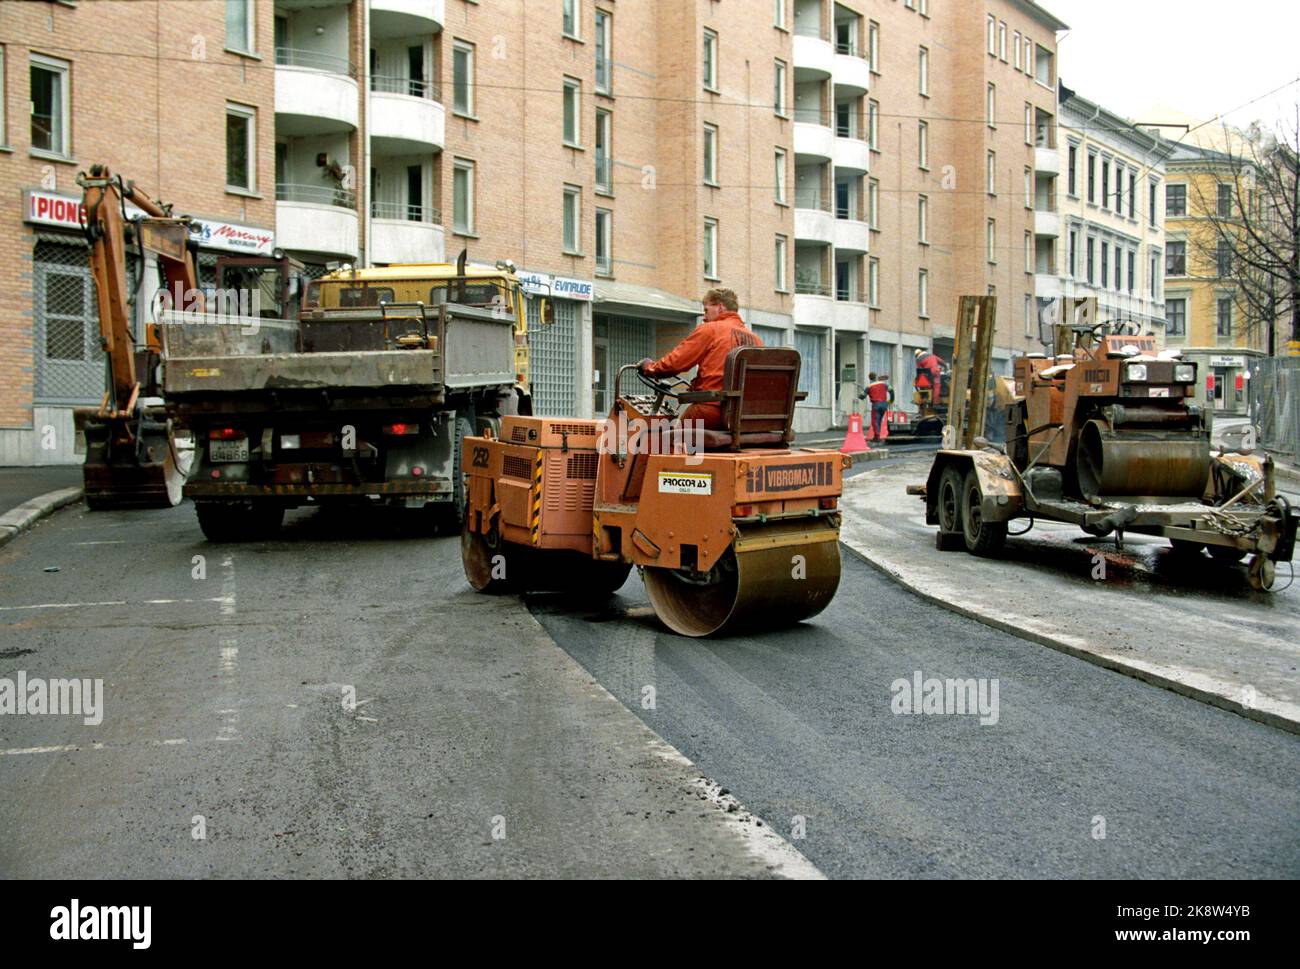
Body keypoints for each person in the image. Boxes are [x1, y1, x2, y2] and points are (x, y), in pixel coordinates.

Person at [637, 288, 762, 431]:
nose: (704, 317)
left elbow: (675, 362)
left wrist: (650, 368)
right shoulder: (756, 340)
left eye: (706, 310)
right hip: (744, 417)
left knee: (668, 441)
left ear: (720, 307)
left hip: (713, 411)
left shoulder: (711, 329)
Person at [860, 372, 890, 438]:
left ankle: (877, 436)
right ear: (876, 376)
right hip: (884, 404)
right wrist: (891, 400)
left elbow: (862, 396)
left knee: (875, 420)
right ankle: (878, 433)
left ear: (869, 378)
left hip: (876, 405)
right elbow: (891, 391)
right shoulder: (884, 384)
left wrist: (859, 396)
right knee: (879, 420)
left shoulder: (869, 386)